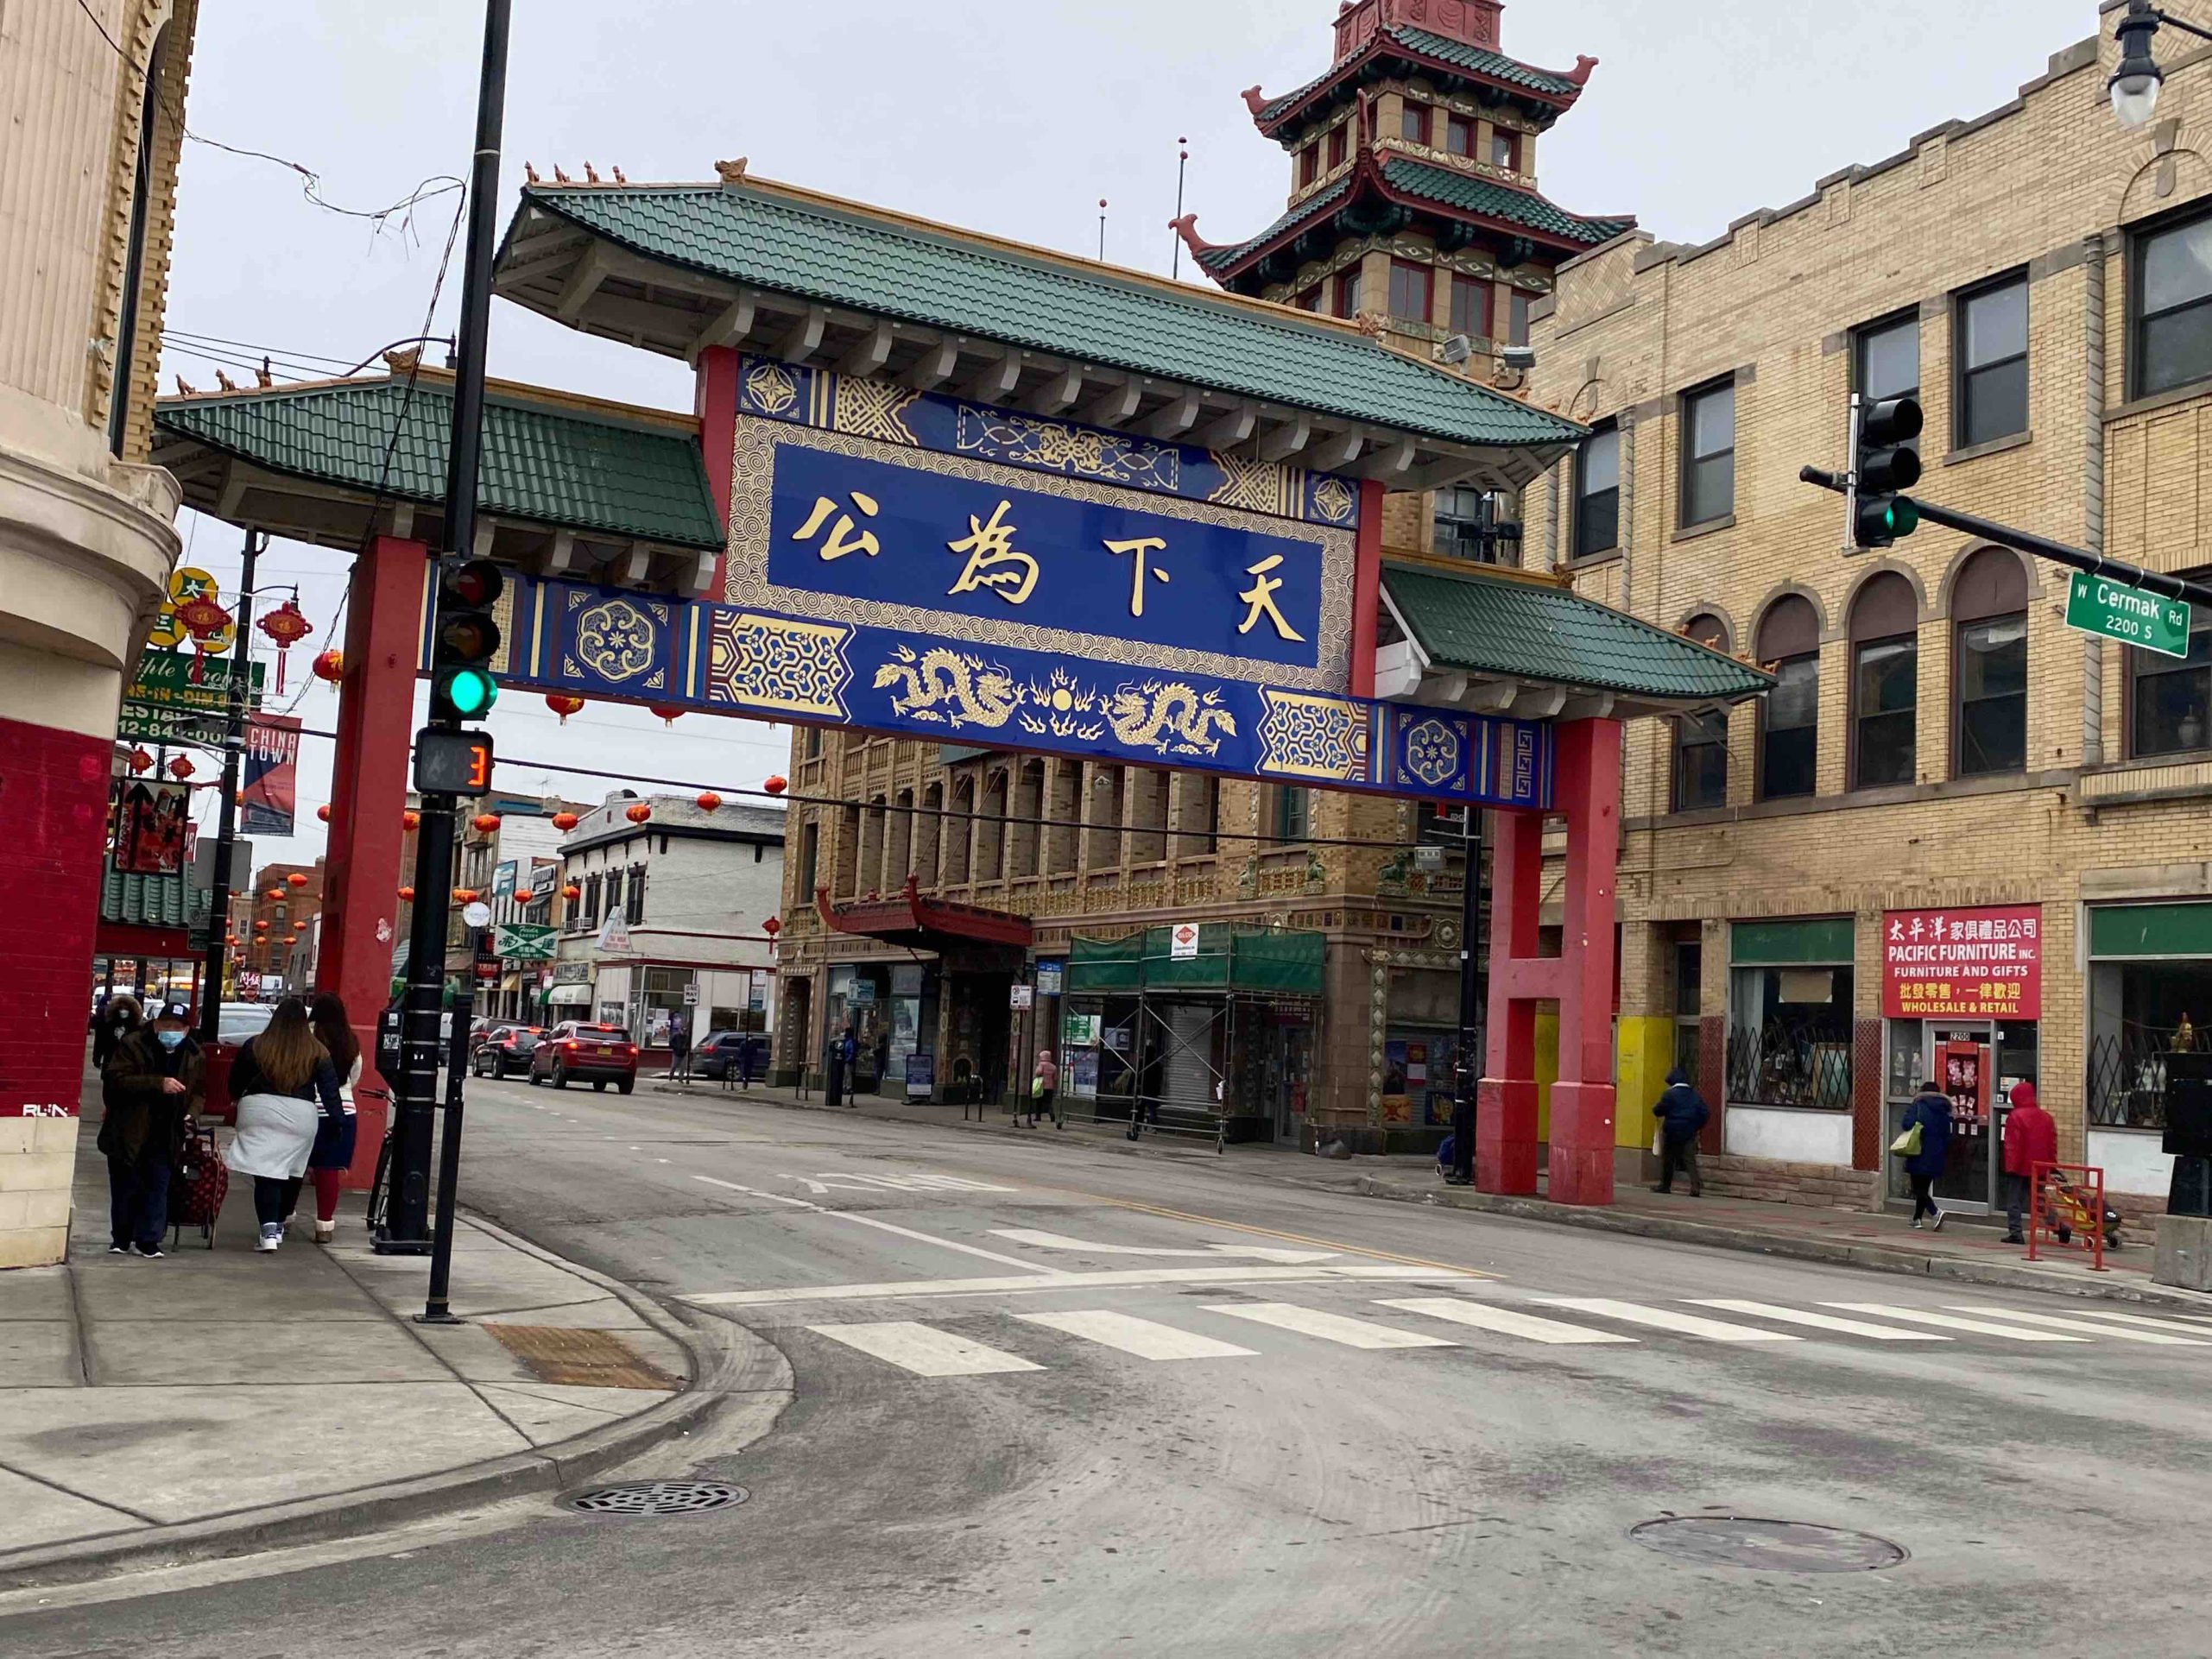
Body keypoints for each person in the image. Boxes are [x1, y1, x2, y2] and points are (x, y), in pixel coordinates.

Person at [224, 997, 343, 1253]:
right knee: (291, 1172)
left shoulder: (255, 1045)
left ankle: (268, 1232)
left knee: (266, 1174)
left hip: (258, 1110)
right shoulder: (318, 1051)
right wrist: (337, 1122)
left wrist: (236, 1100)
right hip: (300, 1114)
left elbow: (235, 1082)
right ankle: (278, 1224)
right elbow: (330, 1092)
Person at [98, 997, 203, 1258]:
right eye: (167, 1025)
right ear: (156, 1025)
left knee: (158, 1186)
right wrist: (158, 1083)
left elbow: (199, 1092)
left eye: (178, 1027)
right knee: (126, 1187)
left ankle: (149, 1240)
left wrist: (192, 1113)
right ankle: (121, 1238)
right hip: (130, 1129)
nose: (172, 1032)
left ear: (187, 1030)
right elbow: (116, 1080)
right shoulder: (133, 1044)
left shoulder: (193, 1054)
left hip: (167, 1131)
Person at [303, 994, 363, 1245]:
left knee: (295, 1167)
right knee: (329, 1171)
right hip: (343, 1110)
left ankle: (284, 1216)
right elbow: (356, 1074)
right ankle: (324, 1225)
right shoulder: (350, 1040)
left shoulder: (306, 1035)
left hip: (306, 1106)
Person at [2000, 1079, 2058, 1246]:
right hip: (2040, 1166)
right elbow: (2052, 1143)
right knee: (2040, 1200)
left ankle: (2016, 1233)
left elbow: (2013, 1145)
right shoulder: (2046, 1117)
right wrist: (2051, 1165)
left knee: (2014, 1200)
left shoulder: (2015, 1116)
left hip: (2020, 1167)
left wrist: (2010, 1167)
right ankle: (2060, 1227)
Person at [1900, 1078, 1954, 1230]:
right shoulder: (1944, 1110)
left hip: (1918, 1150)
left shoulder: (1918, 1106)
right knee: (1923, 1186)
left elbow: (1906, 1124)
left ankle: (1935, 1212)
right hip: (1937, 1153)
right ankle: (1917, 1218)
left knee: (1918, 1188)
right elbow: (1947, 1134)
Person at [1651, 1067, 1711, 1197]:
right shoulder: (1694, 1095)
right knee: (1689, 1160)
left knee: (1668, 1158)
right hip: (1688, 1131)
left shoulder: (1669, 1094)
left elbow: (1659, 1110)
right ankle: (1695, 1187)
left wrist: (1656, 1110)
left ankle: (1665, 1185)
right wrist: (1696, 1126)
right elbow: (1704, 1112)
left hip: (1672, 1130)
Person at [92, 992, 144, 1070]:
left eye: (126, 1009)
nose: (123, 1011)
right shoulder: (106, 1024)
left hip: (129, 1064)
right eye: (121, 1009)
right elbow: (99, 1041)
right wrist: (97, 1058)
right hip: (110, 1061)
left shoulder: (136, 1027)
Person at [825, 1023, 854, 1108]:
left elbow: (851, 1052)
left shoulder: (850, 1042)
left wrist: (847, 1060)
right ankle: (844, 1087)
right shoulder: (844, 1041)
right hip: (842, 1061)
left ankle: (848, 1088)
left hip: (847, 1061)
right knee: (844, 1075)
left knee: (847, 1075)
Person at [1030, 1048, 1059, 1129]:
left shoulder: (1041, 1064)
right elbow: (1055, 1078)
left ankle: (1038, 1116)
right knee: (1049, 1102)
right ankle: (1052, 1115)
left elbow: (1038, 1073)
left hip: (1041, 1086)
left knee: (1039, 1102)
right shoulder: (1054, 1067)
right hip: (1050, 1087)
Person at [668, 1011, 692, 1082]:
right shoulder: (676, 1036)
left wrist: (687, 1048)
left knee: (683, 1067)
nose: (684, 1032)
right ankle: (671, 1076)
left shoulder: (687, 1038)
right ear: (680, 1030)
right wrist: (676, 1047)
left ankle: (681, 1079)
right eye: (683, 1030)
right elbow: (671, 1043)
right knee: (674, 1066)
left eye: (685, 1031)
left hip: (684, 1054)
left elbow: (689, 1045)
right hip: (676, 1053)